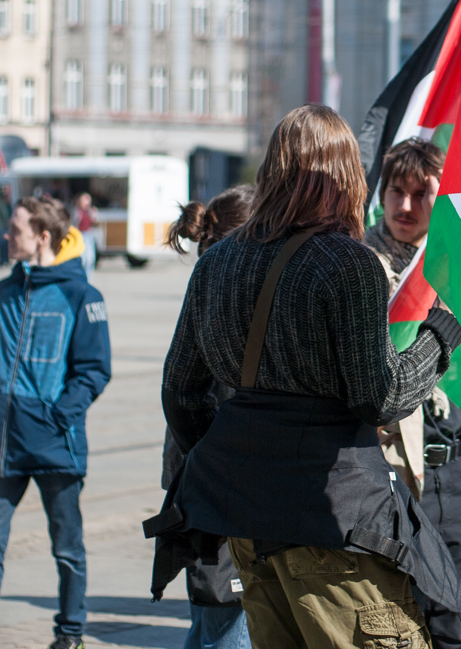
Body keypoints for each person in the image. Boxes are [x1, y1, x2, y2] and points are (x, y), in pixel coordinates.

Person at [155, 105, 461, 649]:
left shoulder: (218, 261)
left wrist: (236, 456)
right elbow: (384, 397)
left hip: (250, 521)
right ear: (347, 178)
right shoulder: (349, 264)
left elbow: (181, 391)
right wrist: (439, 334)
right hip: (333, 521)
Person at [0, 196, 112, 649]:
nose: (6, 236)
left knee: (67, 548)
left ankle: (70, 634)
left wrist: (56, 417)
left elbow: (93, 372)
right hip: (3, 442)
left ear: (42, 237)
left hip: (54, 445)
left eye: (15, 230)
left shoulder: (82, 297)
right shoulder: (0, 294)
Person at [365, 137, 461, 649]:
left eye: (422, 195)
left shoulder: (460, 265)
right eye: (396, 191)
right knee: (389, 631)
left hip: (454, 475)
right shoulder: (360, 265)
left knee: (454, 631)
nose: (404, 206)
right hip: (387, 477)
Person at [160, 185, 256, 649]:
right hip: (223, 498)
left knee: (207, 620)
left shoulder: (214, 288)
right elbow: (189, 398)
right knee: (227, 623)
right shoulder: (232, 303)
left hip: (199, 489)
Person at [72, 193, 98, 282]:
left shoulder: (91, 211)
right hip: (81, 235)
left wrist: (93, 215)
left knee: (90, 259)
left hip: (88, 235)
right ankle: (81, 278)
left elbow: (94, 222)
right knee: (83, 259)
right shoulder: (77, 211)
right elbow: (75, 224)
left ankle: (88, 279)